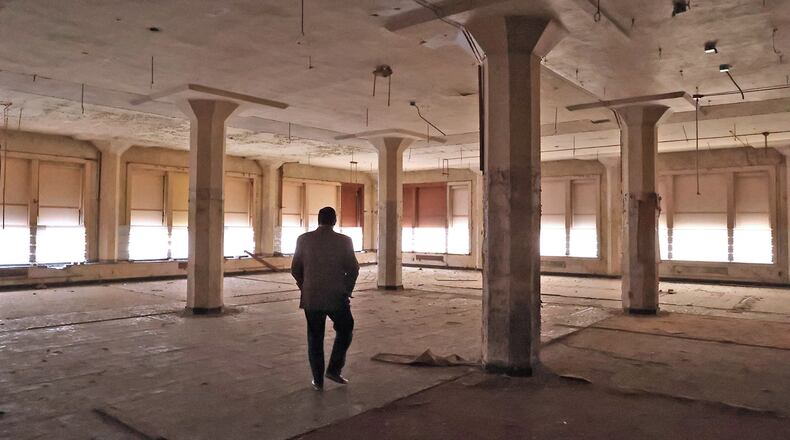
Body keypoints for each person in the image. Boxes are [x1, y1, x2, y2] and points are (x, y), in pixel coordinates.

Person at [291, 206, 360, 391]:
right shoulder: (345, 241)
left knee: (315, 338)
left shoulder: (303, 239)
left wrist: (304, 286)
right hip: (336, 296)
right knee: (346, 329)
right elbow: (353, 269)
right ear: (335, 221)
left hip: (311, 298)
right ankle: (334, 369)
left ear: (318, 220)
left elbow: (295, 269)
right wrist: (346, 289)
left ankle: (318, 381)